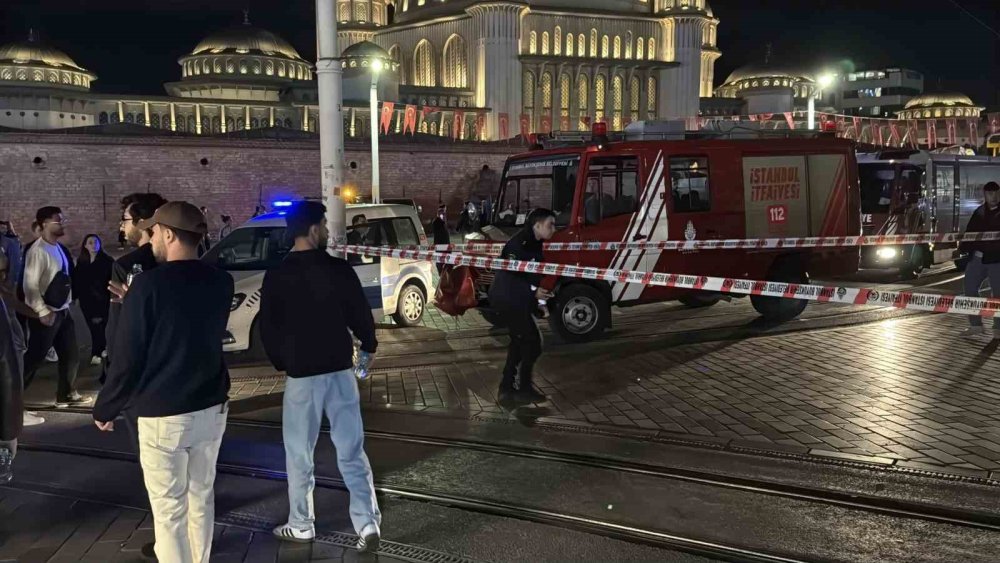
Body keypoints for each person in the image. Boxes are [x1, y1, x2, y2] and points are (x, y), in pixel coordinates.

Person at [94, 202, 233, 563]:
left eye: (154, 231)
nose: (150, 238)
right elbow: (186, 323)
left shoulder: (147, 286)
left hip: (163, 411)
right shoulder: (221, 280)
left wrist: (106, 406)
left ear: (168, 235)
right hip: (211, 405)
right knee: (201, 498)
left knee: (170, 511)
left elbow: (128, 357)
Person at [258, 201, 381, 553]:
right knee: (352, 451)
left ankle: (301, 524)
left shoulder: (277, 274)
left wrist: (283, 361)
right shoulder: (338, 270)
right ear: (313, 229)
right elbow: (360, 314)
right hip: (340, 373)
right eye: (324, 225)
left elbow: (269, 327)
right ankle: (367, 522)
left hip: (302, 377)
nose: (327, 231)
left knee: (299, 454)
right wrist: (368, 345)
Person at [103, 193, 168, 450]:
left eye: (125, 219)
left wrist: (113, 389)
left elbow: (119, 332)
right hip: (183, 381)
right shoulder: (186, 264)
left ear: (142, 223)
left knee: (151, 456)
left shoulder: (127, 266)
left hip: (142, 379)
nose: (122, 226)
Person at [489, 208, 557, 404]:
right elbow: (508, 277)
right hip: (507, 298)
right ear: (537, 225)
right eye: (550, 225)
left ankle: (507, 388)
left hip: (518, 299)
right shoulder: (518, 244)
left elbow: (534, 276)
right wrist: (533, 292)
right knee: (533, 342)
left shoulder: (536, 243)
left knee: (519, 342)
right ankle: (522, 388)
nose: (554, 229)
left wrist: (540, 301)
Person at [21, 207, 88, 408]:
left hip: (62, 311)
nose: (62, 224)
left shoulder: (57, 247)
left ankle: (65, 394)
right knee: (35, 357)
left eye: (62, 220)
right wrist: (42, 311)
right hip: (47, 313)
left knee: (71, 354)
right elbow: (29, 285)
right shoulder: (38, 251)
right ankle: (10, 398)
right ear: (44, 224)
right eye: (58, 221)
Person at [960, 181, 1000, 337]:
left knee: (997, 294)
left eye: (996, 193)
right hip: (977, 258)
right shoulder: (979, 212)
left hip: (996, 260)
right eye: (990, 193)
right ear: (985, 195)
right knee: (970, 288)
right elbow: (970, 232)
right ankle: (975, 325)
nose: (993, 196)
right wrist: (962, 249)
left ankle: (998, 328)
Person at [74, 234, 114, 366]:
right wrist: (75, 297)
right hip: (86, 301)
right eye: (90, 242)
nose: (93, 245)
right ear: (85, 245)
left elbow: (111, 280)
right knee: (92, 327)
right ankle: (101, 350)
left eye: (96, 242)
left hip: (101, 300)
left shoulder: (107, 261)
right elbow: (77, 280)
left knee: (99, 326)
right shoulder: (82, 261)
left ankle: (97, 352)